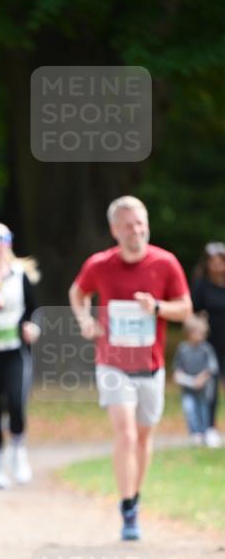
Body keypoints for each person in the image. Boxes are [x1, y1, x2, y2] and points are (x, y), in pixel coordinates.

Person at [69, 196, 191, 541]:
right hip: (113, 363)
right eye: (127, 225)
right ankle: (127, 507)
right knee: (125, 432)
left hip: (151, 366)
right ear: (114, 230)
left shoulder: (165, 263)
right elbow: (78, 293)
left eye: (140, 223)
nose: (135, 230)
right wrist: (85, 321)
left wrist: (157, 307)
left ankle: (135, 498)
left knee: (143, 436)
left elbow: (185, 309)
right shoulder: (100, 264)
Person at [0, 222, 41, 487]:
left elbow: (33, 310)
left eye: (3, 238)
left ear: (9, 244)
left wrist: (32, 327)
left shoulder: (19, 274)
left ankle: (18, 450)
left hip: (15, 351)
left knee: (16, 403)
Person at [191, 242, 225, 446]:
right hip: (210, 344)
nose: (216, 266)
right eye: (212, 262)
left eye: (220, 261)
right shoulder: (202, 285)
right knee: (210, 388)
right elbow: (194, 311)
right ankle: (208, 427)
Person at [172, 314, 220, 445]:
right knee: (189, 409)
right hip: (188, 388)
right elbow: (177, 366)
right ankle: (195, 434)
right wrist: (179, 374)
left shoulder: (206, 349)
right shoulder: (183, 349)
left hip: (203, 389)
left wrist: (202, 378)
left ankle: (205, 432)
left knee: (203, 411)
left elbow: (211, 367)